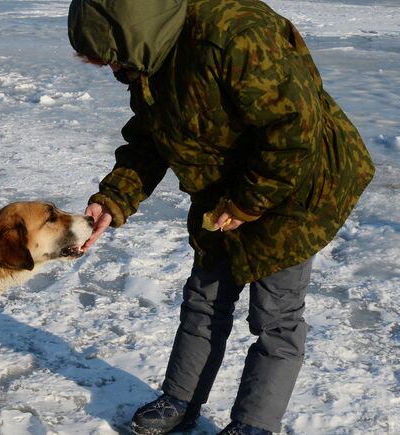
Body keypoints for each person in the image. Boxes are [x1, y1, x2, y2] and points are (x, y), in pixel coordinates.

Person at [68, 0, 375, 434]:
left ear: (128, 31)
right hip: (222, 185)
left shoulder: (236, 34)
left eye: (111, 57)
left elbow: (293, 131)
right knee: (205, 297)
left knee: (275, 315)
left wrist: (247, 203)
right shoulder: (149, 56)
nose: (111, 68)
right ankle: (181, 397)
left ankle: (254, 423)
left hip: (299, 185)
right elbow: (151, 135)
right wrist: (115, 197)